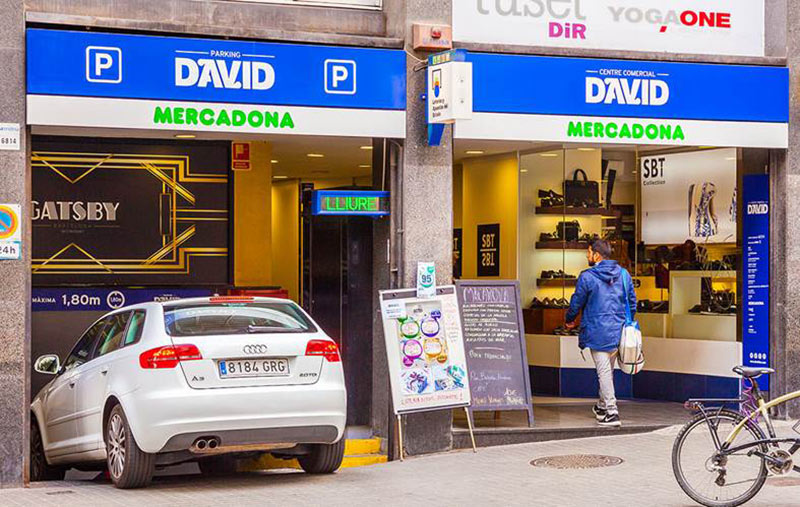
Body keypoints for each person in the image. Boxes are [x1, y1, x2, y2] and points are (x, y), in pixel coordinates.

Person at [564, 239, 636, 428]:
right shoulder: (623, 274)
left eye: (588, 252)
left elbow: (576, 301)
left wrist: (570, 319)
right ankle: (602, 407)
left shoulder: (587, 276)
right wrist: (626, 322)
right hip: (618, 331)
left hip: (597, 330)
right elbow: (632, 302)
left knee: (603, 371)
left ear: (596, 255)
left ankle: (612, 412)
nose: (587, 256)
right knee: (607, 370)